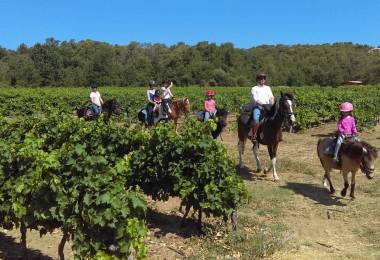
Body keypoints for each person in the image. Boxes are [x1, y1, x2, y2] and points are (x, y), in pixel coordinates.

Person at [249, 73, 274, 142]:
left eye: (263, 78)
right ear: (257, 80)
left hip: (268, 107)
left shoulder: (268, 88)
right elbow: (255, 99)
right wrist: (263, 105)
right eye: (260, 78)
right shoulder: (254, 88)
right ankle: (254, 135)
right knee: (256, 119)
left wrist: (271, 102)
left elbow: (271, 97)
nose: (262, 80)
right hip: (258, 107)